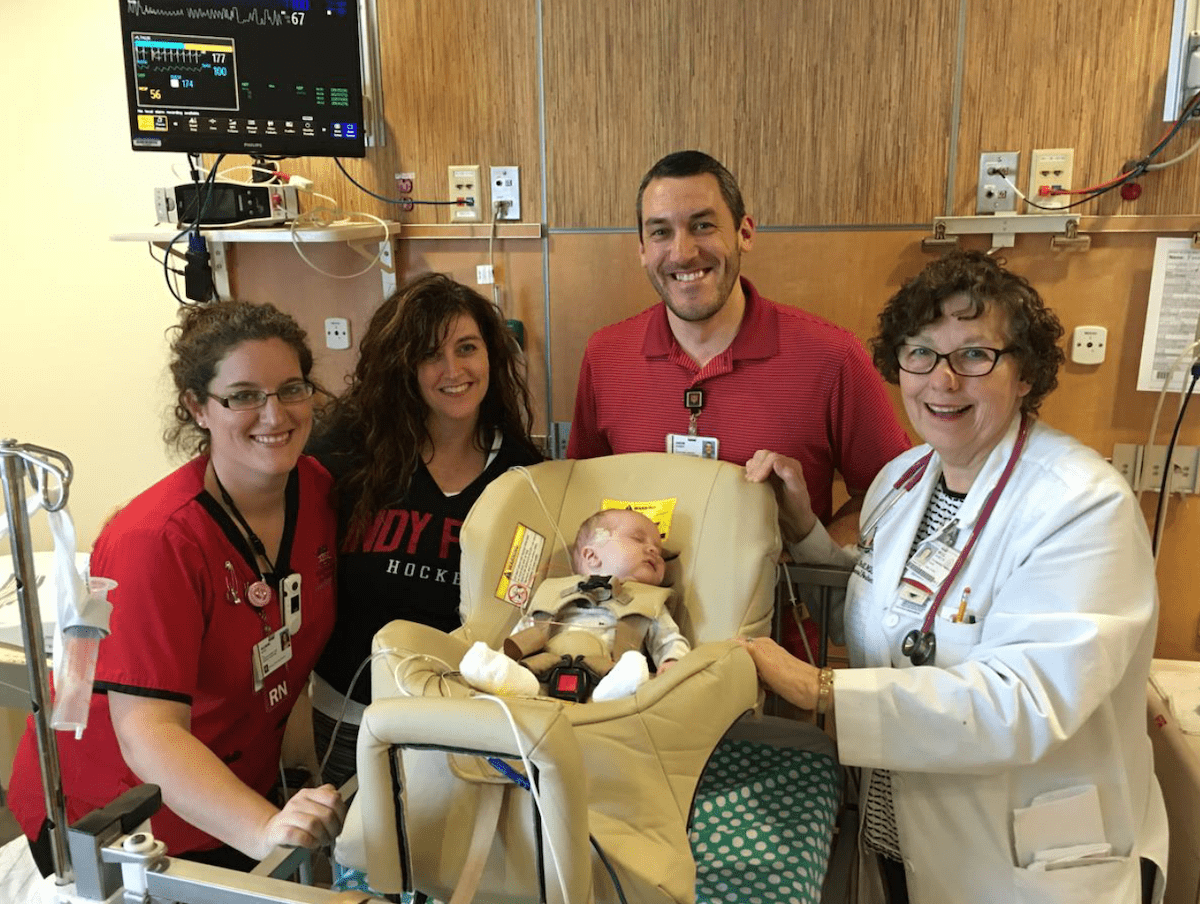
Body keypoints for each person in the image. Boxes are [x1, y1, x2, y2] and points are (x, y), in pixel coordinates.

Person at [741, 250, 1168, 904]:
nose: (941, 381)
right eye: (921, 352)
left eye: (974, 355)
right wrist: (804, 532)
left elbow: (1024, 701)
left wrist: (822, 690)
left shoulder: (1082, 505)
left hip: (1027, 860)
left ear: (1024, 372)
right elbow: (892, 608)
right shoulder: (906, 478)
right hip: (902, 832)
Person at [8, 301, 346, 873]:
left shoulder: (314, 490)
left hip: (234, 787)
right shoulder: (156, 541)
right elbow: (147, 735)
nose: (275, 414)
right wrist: (265, 827)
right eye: (243, 395)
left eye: (291, 388)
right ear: (197, 407)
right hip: (124, 817)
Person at [566, 149, 910, 657]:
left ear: (744, 233)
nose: (682, 253)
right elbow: (581, 495)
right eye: (660, 231)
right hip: (627, 655)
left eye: (702, 226)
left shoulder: (830, 356)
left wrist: (808, 545)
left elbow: (896, 494)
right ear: (641, 247)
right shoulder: (606, 355)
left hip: (776, 656)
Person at [306, 273, 542, 787]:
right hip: (354, 716)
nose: (453, 370)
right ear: (401, 365)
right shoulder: (346, 453)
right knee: (361, 861)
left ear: (491, 356)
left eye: (467, 349)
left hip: (464, 719)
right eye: (430, 355)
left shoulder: (526, 477)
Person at [461, 508, 690, 702]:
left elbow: (669, 639)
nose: (653, 550)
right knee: (519, 671)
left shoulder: (650, 603)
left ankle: (613, 693)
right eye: (638, 539)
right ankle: (506, 677)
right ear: (592, 557)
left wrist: (672, 662)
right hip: (543, 672)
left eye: (658, 551)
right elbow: (526, 631)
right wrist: (504, 658)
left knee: (633, 670)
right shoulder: (554, 593)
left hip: (608, 673)